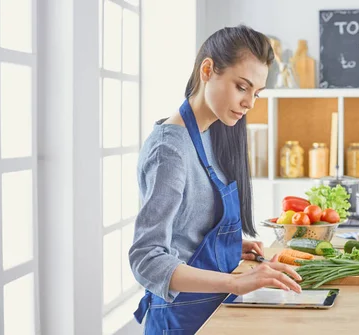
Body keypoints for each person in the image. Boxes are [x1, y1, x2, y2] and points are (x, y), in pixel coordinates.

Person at [129, 25, 302, 334]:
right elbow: (147, 259)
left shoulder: (212, 133)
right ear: (207, 70)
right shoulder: (169, 150)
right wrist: (236, 281)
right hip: (179, 320)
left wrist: (230, 248)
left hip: (213, 314)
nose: (249, 102)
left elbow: (186, 233)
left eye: (256, 93)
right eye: (241, 86)